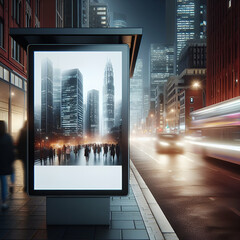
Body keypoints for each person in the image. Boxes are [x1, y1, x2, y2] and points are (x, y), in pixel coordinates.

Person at [0, 121, 15, 210]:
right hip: (4, 164)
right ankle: (4, 203)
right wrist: (11, 161)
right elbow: (11, 152)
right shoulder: (8, 137)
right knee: (4, 183)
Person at [16, 121, 27, 192]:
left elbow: (18, 143)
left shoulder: (22, 131)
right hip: (28, 154)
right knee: (30, 170)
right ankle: (30, 184)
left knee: (25, 171)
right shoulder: (30, 131)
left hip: (23, 155)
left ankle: (26, 186)